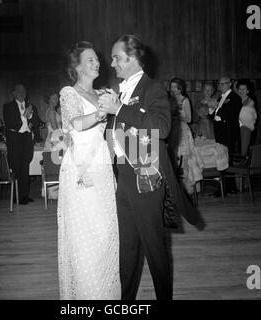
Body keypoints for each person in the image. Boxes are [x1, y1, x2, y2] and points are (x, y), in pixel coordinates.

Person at [98, 35, 201, 300]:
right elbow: (119, 131)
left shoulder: (153, 88)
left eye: (116, 57)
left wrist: (119, 108)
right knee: (128, 248)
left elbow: (162, 128)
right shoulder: (122, 89)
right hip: (124, 175)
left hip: (145, 176)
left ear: (132, 59)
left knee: (154, 248)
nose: (112, 63)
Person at [57, 41, 120, 299]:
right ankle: (86, 294)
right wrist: (102, 114)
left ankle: (106, 292)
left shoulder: (104, 94)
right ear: (77, 67)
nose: (97, 63)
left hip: (102, 167)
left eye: (97, 59)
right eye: (90, 59)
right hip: (81, 168)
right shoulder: (68, 93)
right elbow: (75, 124)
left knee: (105, 232)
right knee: (85, 234)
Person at [3, 84, 42, 205]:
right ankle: (16, 196)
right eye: (19, 91)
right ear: (14, 93)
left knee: (25, 167)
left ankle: (24, 195)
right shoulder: (8, 107)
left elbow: (37, 122)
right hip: (15, 140)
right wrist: (24, 115)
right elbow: (10, 124)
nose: (22, 93)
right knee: (16, 167)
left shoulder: (31, 106)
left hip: (26, 139)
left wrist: (30, 115)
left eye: (24, 91)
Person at [167, 78, 202, 194]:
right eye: (171, 87)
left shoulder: (185, 100)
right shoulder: (169, 100)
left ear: (180, 88)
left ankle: (187, 187)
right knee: (174, 158)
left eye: (175, 87)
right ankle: (175, 188)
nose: (173, 89)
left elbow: (189, 119)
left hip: (182, 130)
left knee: (184, 158)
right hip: (172, 129)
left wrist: (177, 116)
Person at [208, 76, 242, 196]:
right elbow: (213, 115)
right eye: (220, 84)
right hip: (221, 133)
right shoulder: (219, 97)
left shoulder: (234, 97)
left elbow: (231, 114)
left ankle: (224, 189)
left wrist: (216, 108)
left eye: (224, 83)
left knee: (226, 160)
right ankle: (231, 188)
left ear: (230, 84)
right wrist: (211, 109)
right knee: (224, 160)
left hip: (228, 134)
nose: (221, 86)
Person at [43, 91, 63, 200]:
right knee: (55, 165)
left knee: (59, 165)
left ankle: (58, 192)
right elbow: (56, 129)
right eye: (54, 98)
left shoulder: (55, 111)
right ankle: (53, 193)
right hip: (54, 140)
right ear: (49, 100)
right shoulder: (50, 111)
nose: (56, 100)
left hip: (58, 139)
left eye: (57, 98)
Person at [236, 79, 257, 156]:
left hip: (246, 126)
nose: (241, 91)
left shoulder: (250, 101)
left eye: (244, 89)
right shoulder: (236, 99)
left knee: (244, 148)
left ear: (248, 90)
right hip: (237, 126)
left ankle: (243, 160)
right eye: (240, 89)